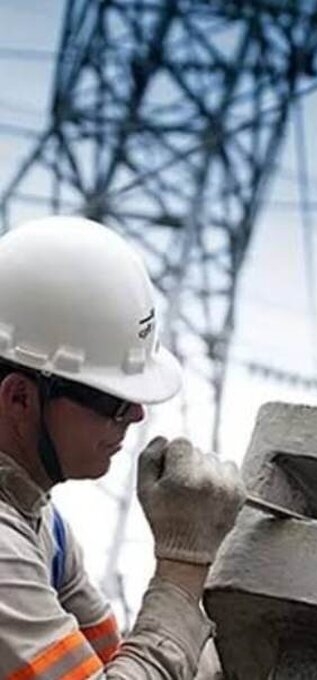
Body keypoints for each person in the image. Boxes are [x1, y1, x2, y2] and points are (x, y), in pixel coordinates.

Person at [0, 215, 246, 678]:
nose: (136, 415)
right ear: (19, 397)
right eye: (112, 399)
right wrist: (181, 567)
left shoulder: (40, 523)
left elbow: (116, 663)